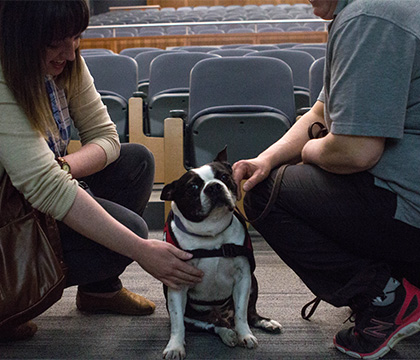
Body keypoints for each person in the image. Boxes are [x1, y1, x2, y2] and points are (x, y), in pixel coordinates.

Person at [0, 0, 203, 342]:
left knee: (136, 161)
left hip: (30, 192)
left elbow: (106, 138)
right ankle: (10, 301)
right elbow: (46, 188)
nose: (70, 52)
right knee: (131, 233)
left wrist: (64, 166)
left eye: (76, 37)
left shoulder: (68, 65)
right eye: (54, 42)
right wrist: (140, 250)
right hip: (7, 213)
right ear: (19, 37)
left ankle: (99, 292)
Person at [233, 0, 420, 358]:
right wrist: (266, 158)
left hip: (409, 202)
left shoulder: (368, 16)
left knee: (265, 194)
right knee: (270, 174)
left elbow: (354, 152)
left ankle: (386, 300)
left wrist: (310, 152)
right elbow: (321, 110)